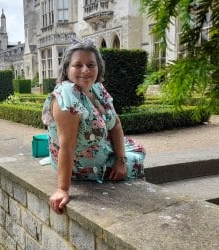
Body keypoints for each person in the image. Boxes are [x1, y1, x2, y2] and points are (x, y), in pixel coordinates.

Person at [42, 39, 146, 215]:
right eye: (78, 65)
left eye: (91, 64)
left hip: (100, 149)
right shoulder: (67, 97)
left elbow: (116, 123)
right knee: (135, 162)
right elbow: (67, 146)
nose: (85, 70)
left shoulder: (96, 88)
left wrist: (120, 161)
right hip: (79, 166)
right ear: (67, 69)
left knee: (131, 157)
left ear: (99, 67)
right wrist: (62, 189)